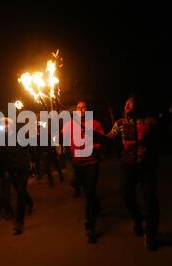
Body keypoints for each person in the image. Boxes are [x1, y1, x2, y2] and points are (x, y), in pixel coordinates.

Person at [106, 95, 160, 251]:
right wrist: (95, 136)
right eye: (126, 103)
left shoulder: (148, 121)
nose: (127, 105)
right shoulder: (120, 123)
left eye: (131, 103)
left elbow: (158, 140)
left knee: (150, 199)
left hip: (147, 165)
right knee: (127, 195)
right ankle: (138, 219)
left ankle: (151, 233)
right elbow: (110, 138)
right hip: (128, 165)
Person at [62, 101, 105, 243]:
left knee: (89, 191)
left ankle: (90, 225)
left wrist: (96, 147)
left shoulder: (95, 124)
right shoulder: (70, 124)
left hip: (92, 162)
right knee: (88, 190)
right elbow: (62, 137)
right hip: (77, 164)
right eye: (78, 108)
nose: (80, 109)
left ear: (87, 109)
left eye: (83, 107)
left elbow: (102, 140)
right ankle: (97, 206)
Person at [0, 117, 34, 235]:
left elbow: (30, 148)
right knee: (19, 191)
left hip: (23, 167)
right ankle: (30, 203)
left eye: (7, 124)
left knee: (21, 192)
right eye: (3, 125)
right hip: (12, 169)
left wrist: (32, 162)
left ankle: (19, 223)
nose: (5, 126)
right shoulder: (1, 139)